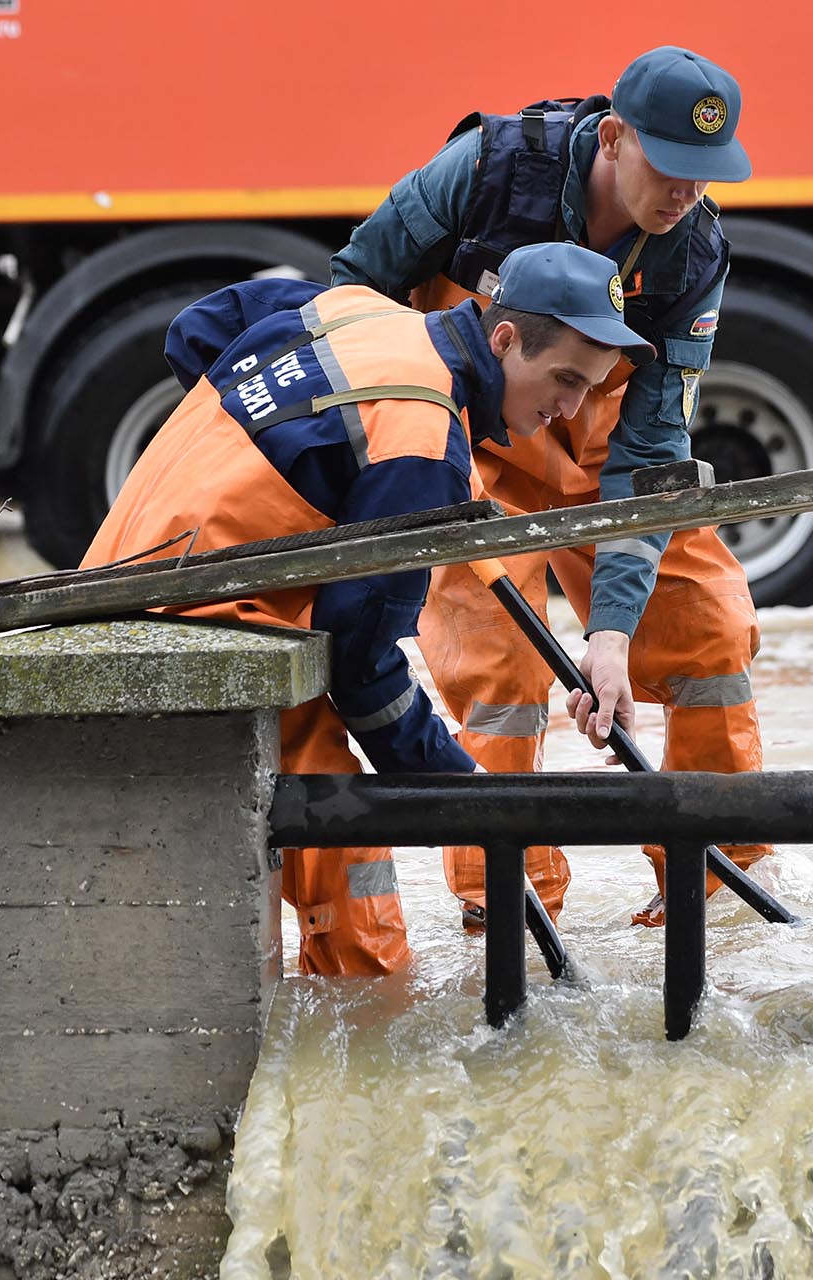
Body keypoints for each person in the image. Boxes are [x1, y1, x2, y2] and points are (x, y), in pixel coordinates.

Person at [82, 242, 650, 976]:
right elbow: (360, 666)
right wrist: (459, 791)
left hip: (126, 567)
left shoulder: (355, 311)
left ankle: (343, 1036)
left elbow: (196, 330)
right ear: (504, 338)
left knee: (338, 812)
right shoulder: (418, 443)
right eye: (565, 379)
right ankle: (367, 1030)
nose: (572, 409)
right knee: (345, 850)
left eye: (590, 387)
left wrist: (267, 463)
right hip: (195, 615)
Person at [330, 46, 769, 929]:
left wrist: (610, 633)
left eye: (706, 175)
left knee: (710, 631)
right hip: (465, 442)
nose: (687, 193)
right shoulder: (488, 170)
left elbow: (651, 452)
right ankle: (511, 911)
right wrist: (406, 451)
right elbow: (354, 295)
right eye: (671, 168)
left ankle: (711, 898)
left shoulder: (693, 255)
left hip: (605, 451)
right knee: (496, 672)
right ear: (613, 138)